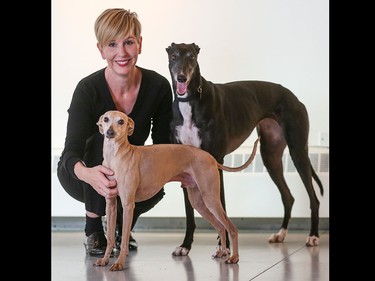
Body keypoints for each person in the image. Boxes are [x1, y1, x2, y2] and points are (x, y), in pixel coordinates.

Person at [57, 8, 172, 256]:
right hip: (82, 175)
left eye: (128, 42)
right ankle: (94, 230)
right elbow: (70, 152)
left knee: (141, 168)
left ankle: (121, 227)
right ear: (101, 50)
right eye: (112, 44)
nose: (121, 53)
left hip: (130, 171)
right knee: (103, 140)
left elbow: (163, 146)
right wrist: (88, 174)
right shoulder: (87, 89)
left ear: (139, 44)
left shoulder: (158, 86)